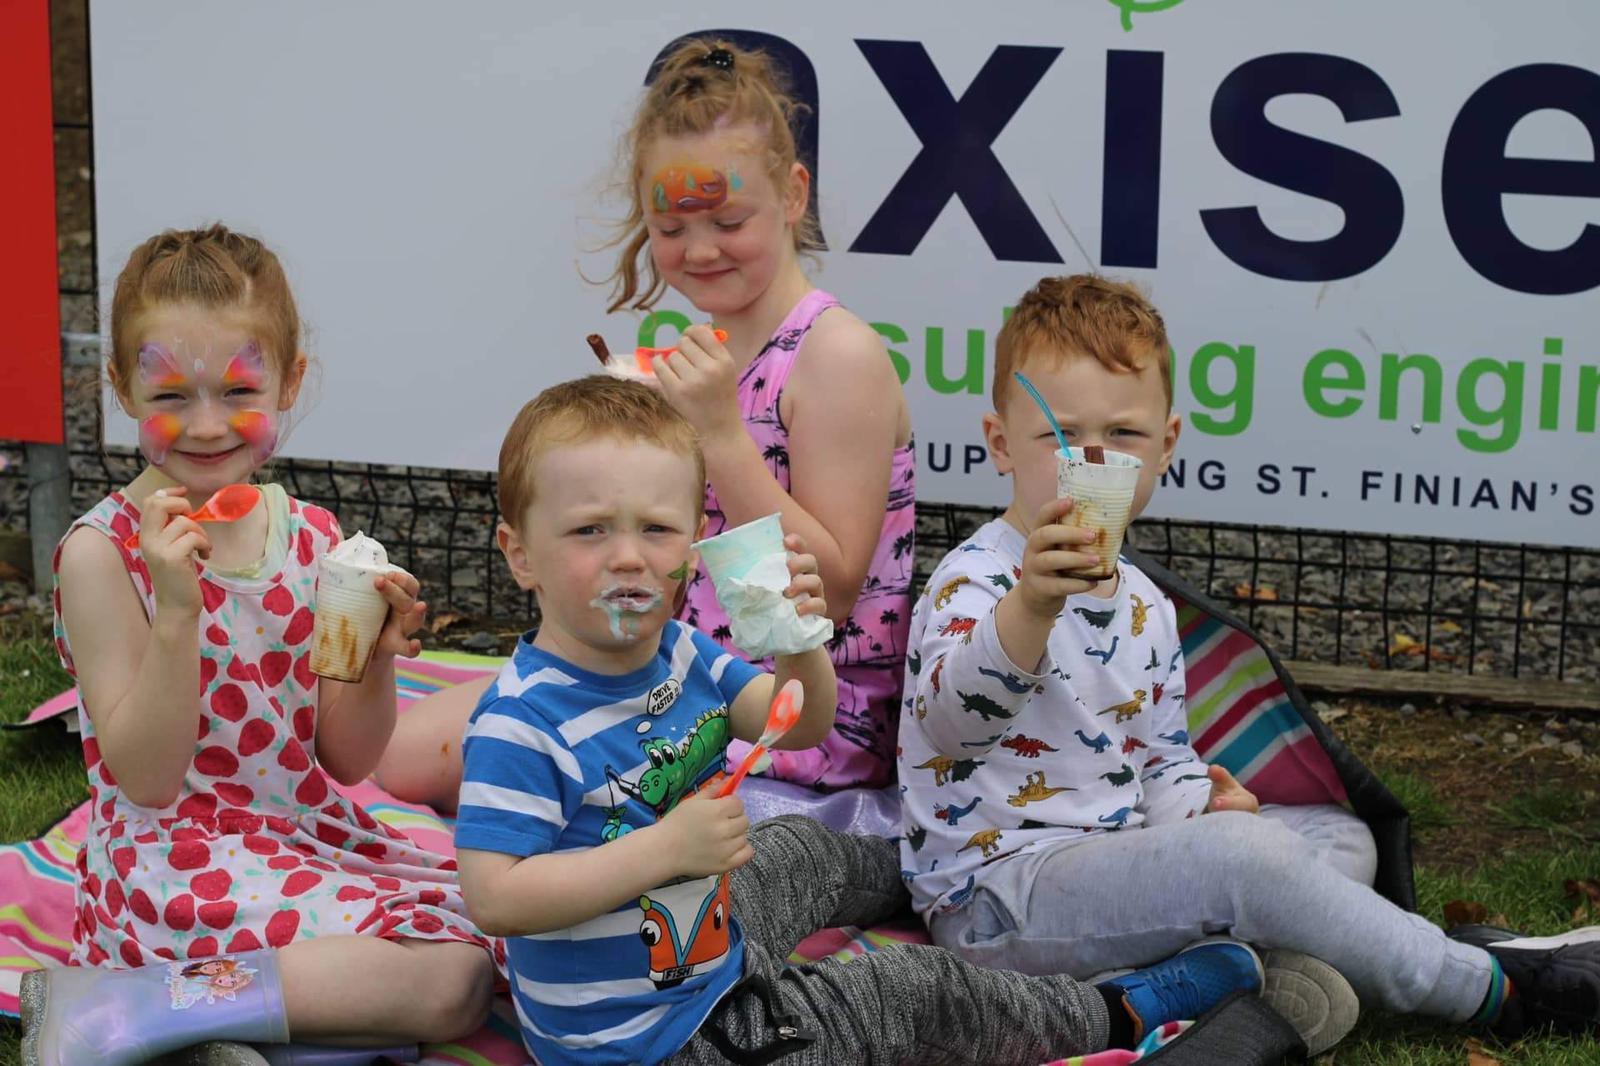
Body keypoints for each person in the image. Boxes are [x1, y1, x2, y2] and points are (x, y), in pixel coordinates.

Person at [454, 375, 1287, 1066]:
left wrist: (798, 640)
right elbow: (496, 897)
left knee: (800, 849)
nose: (628, 555)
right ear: (519, 553)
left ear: (693, 545)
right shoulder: (522, 723)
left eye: (656, 529)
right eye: (589, 530)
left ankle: (941, 875)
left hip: (706, 934)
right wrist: (664, 851)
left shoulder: (680, 653)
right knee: (907, 993)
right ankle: (1115, 1012)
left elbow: (800, 724)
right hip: (657, 1041)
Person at [899, 273, 1600, 1054]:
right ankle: (1491, 988)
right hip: (1000, 904)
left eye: (1123, 435)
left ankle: (1235, 978)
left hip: (1116, 863)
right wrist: (1032, 605)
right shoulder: (977, 579)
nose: (1091, 460)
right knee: (1254, 862)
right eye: (1059, 436)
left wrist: (1204, 809)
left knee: (1337, 835)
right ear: (1000, 442)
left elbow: (1159, 762)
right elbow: (953, 730)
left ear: (1167, 444)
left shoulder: (1145, 601)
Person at [377, 36, 914, 813]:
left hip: (792, 721)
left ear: (795, 195)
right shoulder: (712, 348)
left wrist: (719, 435)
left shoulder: (837, 355)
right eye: (671, 226)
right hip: (663, 672)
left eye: (728, 219)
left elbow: (828, 592)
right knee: (398, 757)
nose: (700, 249)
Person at [22, 225, 498, 1066]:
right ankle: (129, 1007)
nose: (206, 425)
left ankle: (203, 1025)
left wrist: (376, 659)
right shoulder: (103, 554)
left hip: (295, 837)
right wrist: (178, 610)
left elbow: (347, 759)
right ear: (122, 388)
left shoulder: (313, 539)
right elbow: (147, 778)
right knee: (447, 983)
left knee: (478, 948)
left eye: (239, 389)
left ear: (290, 380)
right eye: (171, 395)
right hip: (170, 871)